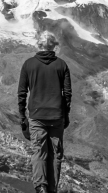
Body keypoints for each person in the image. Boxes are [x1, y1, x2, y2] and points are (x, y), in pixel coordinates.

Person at [17, 32, 72, 193]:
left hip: (36, 116)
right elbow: (67, 94)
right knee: (55, 153)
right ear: (54, 46)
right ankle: (52, 189)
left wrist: (22, 117)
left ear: (38, 45)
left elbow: (21, 93)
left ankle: (41, 186)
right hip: (57, 116)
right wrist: (65, 114)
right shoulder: (62, 65)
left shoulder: (28, 64)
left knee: (39, 151)